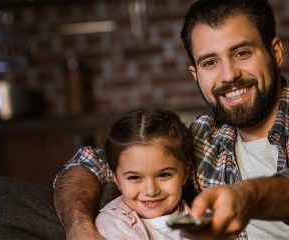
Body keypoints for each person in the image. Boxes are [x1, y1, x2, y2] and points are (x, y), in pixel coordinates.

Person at [53, 0, 289, 239]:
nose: (229, 75)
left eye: (242, 53)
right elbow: (94, 161)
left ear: (276, 53)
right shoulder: (204, 137)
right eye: (210, 62)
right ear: (195, 74)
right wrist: (79, 227)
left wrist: (248, 197)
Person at [95, 108, 193, 239]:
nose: (151, 191)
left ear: (185, 173)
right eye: (135, 177)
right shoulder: (112, 225)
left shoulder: (200, 218)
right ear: (117, 180)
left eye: (163, 175)